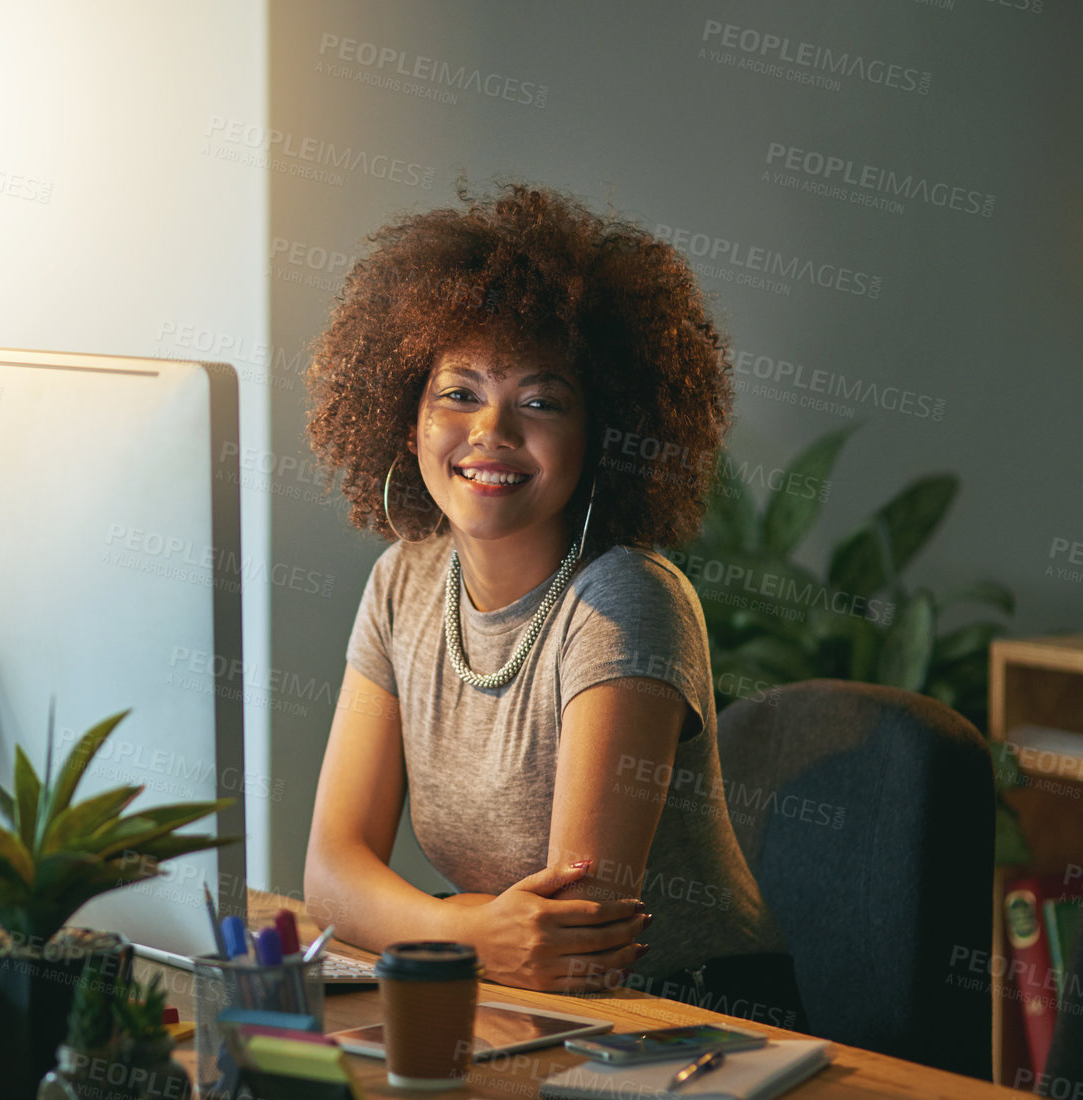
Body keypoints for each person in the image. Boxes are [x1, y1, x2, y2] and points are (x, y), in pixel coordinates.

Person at [301, 181, 804, 1029]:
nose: (491, 428)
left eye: (541, 400)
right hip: (502, 992)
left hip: (684, 1023)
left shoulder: (626, 601)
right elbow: (330, 871)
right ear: (407, 415)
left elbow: (573, 939)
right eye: (458, 392)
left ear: (602, 434)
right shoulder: (402, 582)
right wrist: (462, 926)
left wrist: (420, 927)